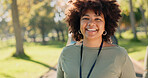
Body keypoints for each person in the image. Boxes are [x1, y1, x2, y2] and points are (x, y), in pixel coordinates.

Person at [57, 0, 136, 78]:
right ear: (78, 23)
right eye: (86, 18)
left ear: (106, 25)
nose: (91, 23)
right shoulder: (66, 53)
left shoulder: (120, 55)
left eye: (98, 19)